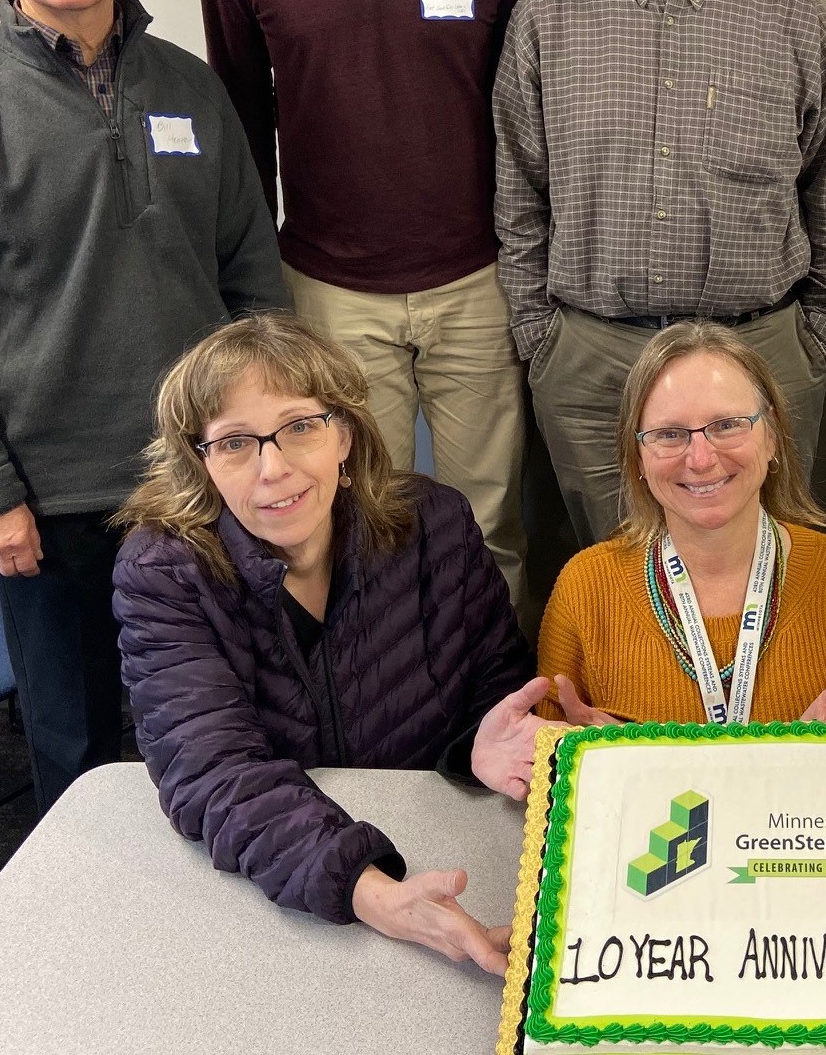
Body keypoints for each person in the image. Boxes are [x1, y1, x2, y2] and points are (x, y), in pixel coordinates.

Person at [0, 0, 285, 814]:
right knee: (76, 742)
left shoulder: (190, 87)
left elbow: (252, 278)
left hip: (199, 475)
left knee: (230, 717)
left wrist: (262, 443)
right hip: (50, 496)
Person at [196, 0, 544, 600]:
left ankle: (494, 691)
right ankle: (380, 696)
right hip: (326, 287)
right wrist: (254, 291)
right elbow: (238, 108)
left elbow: (528, 114)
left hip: (478, 279)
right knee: (355, 533)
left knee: (489, 529)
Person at [494, 0, 826, 549]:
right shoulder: (548, 14)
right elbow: (519, 192)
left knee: (763, 576)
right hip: (594, 365)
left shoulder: (787, 10)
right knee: (616, 583)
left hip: (761, 357)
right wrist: (539, 335)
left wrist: (817, 336)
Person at [113, 313, 542, 972]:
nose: (273, 468)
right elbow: (213, 771)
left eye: (300, 427)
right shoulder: (164, 573)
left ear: (344, 433)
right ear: (201, 462)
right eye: (234, 443)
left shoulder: (435, 522)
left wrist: (479, 741)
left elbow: (495, 678)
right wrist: (371, 891)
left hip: (445, 842)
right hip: (282, 892)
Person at [534, 322, 826, 726]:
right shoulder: (585, 590)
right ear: (638, 459)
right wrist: (595, 756)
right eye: (669, 434)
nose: (701, 459)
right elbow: (545, 758)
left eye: (727, 425)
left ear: (772, 435)